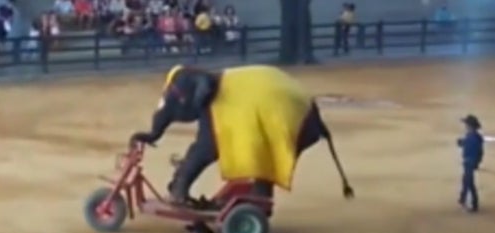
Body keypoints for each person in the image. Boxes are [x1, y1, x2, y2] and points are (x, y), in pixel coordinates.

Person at [130, 64, 354, 207]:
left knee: (205, 149)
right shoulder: (213, 93)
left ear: (199, 95)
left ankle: (179, 191)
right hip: (290, 107)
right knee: (257, 157)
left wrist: (180, 169)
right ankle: (259, 197)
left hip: (291, 115)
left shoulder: (214, 98)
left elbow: (205, 149)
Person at [457, 114, 484, 213]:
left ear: (470, 126)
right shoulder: (473, 136)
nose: (465, 126)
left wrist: (475, 163)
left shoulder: (473, 137)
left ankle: (471, 203)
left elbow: (475, 151)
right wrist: (462, 142)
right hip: (469, 162)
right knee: (468, 182)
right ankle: (464, 199)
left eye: (466, 124)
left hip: (469, 162)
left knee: (468, 182)